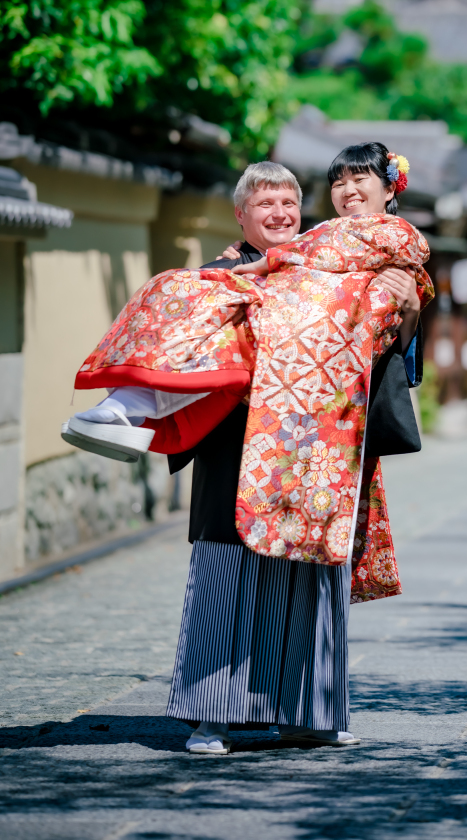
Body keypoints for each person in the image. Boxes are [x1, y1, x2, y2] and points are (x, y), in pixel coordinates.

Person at [66, 149, 428, 754]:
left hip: (319, 445)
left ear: (388, 189)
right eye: (266, 204)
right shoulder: (235, 272)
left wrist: (411, 310)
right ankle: (213, 718)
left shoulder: (365, 259)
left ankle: (310, 713)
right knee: (228, 579)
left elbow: (394, 353)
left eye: (290, 202)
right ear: (241, 216)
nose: (282, 213)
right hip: (237, 449)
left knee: (309, 578)